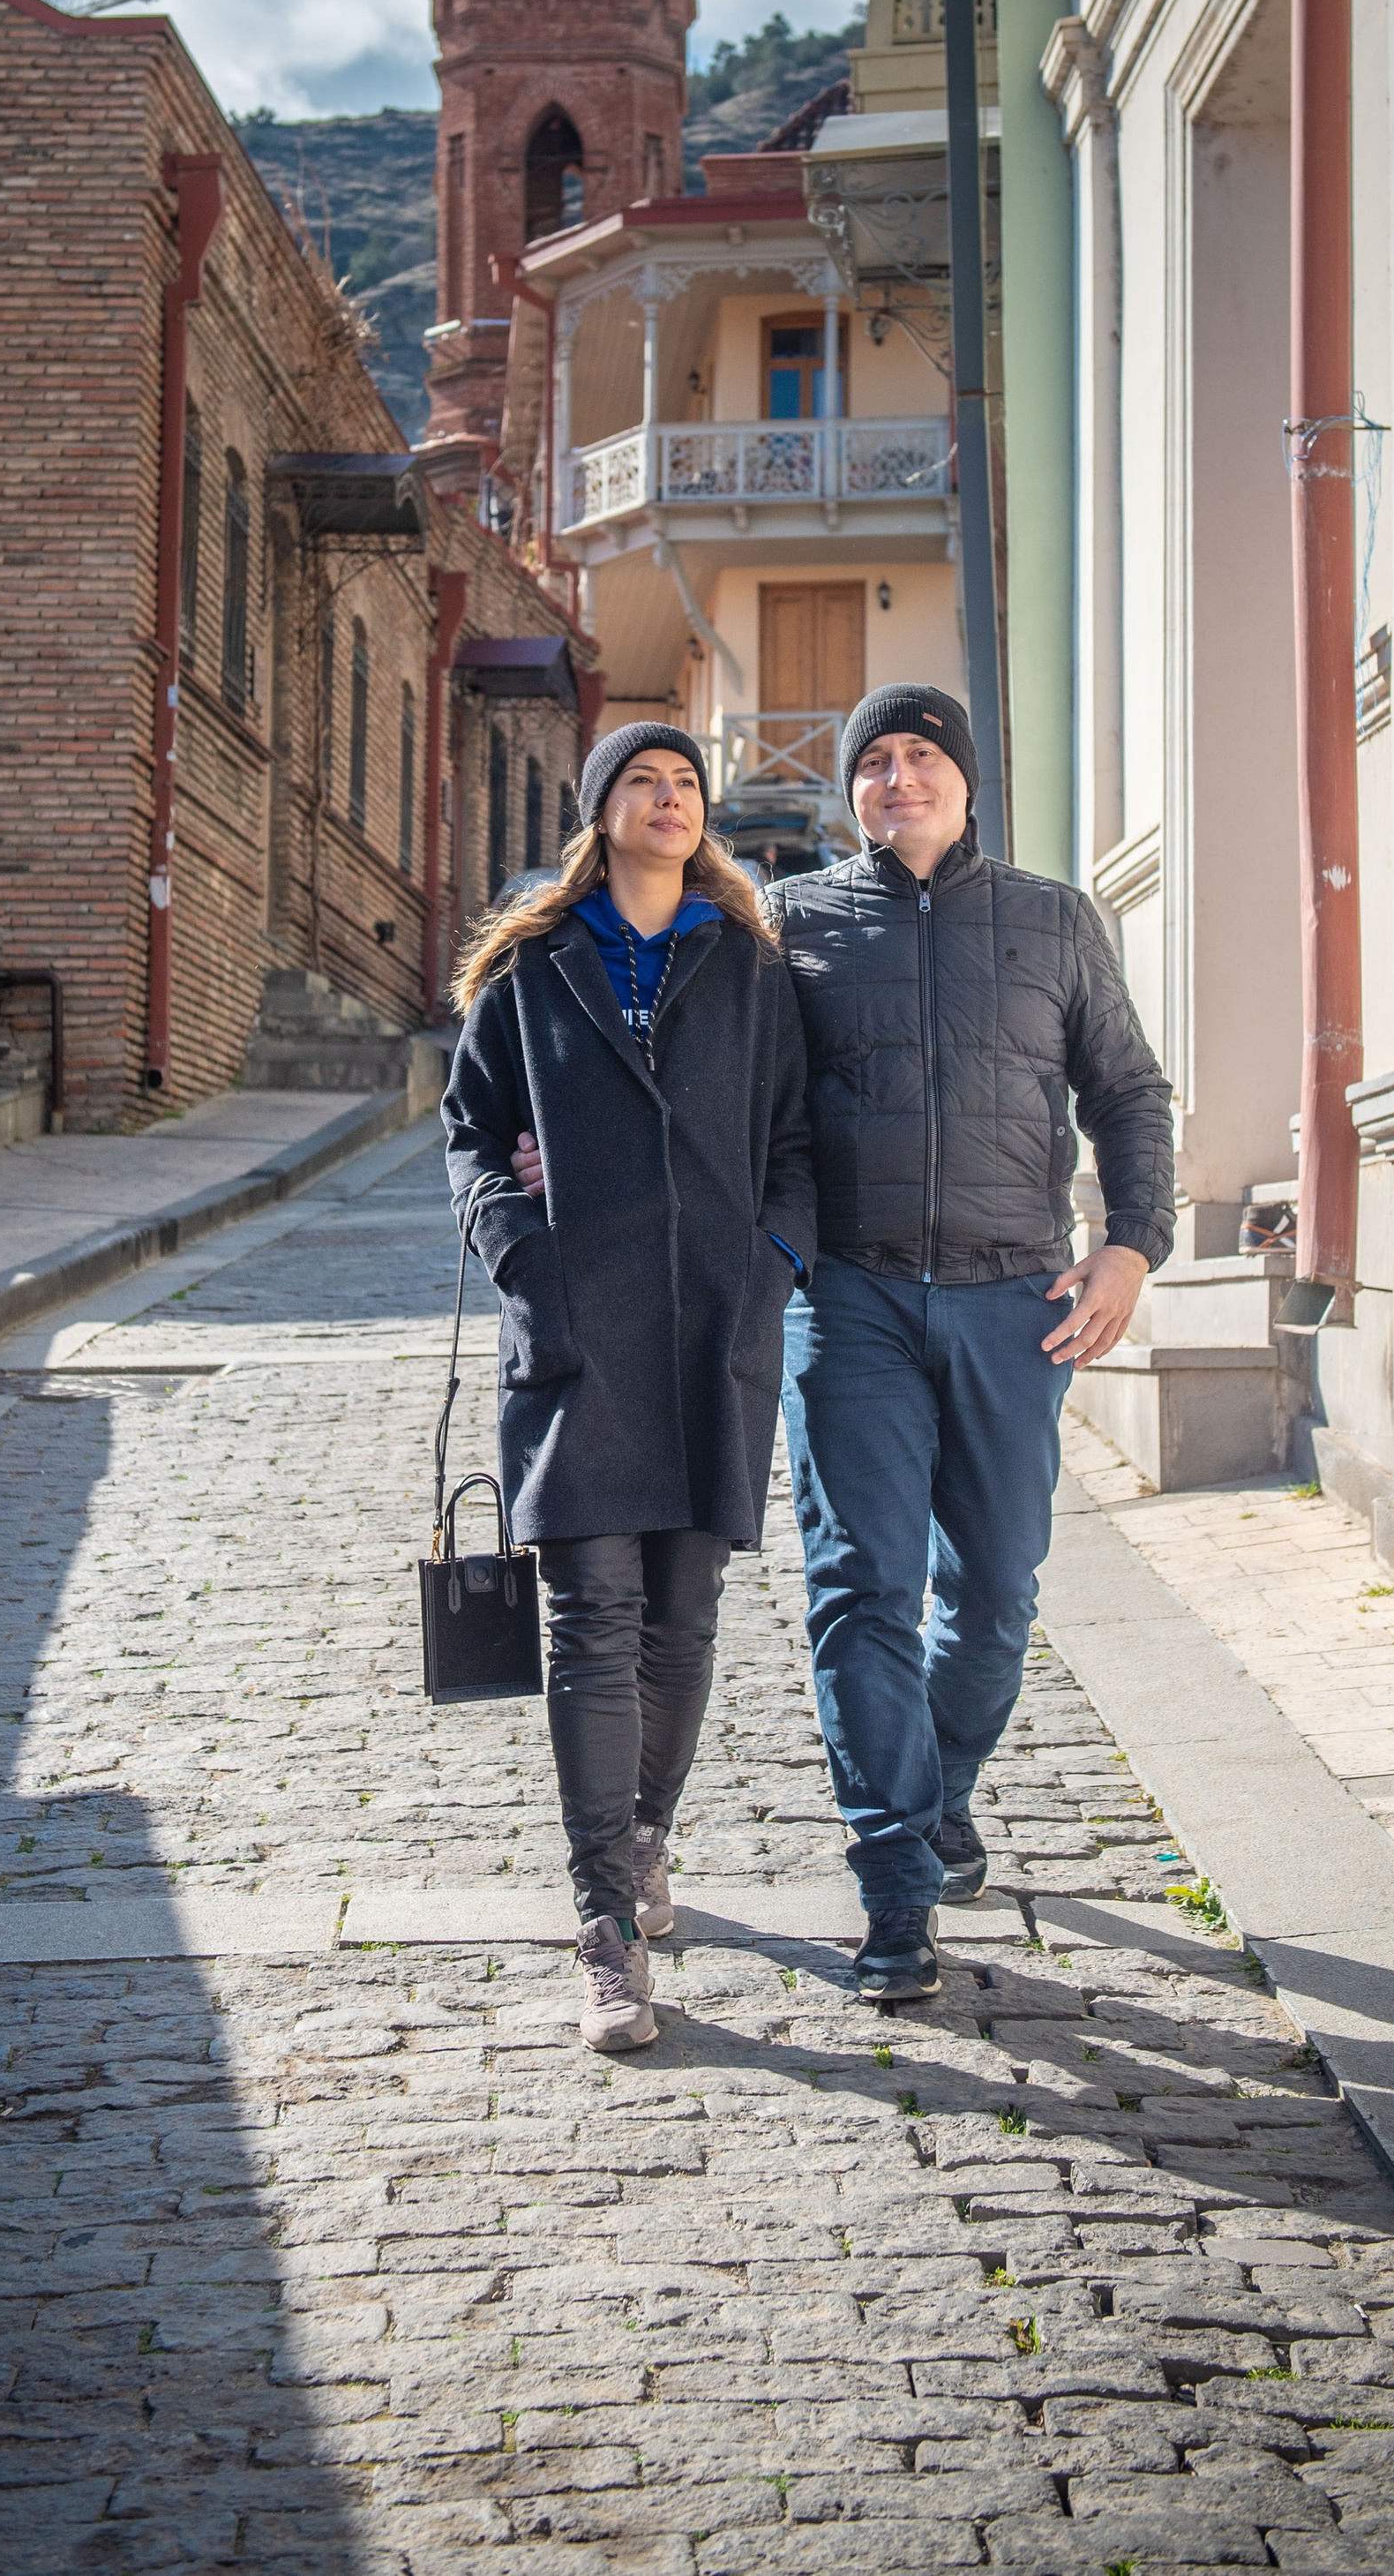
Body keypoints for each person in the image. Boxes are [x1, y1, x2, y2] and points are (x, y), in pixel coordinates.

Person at [770, 684, 1175, 2007]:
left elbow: (1126, 1090)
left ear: (966, 778)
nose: (898, 778)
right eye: (873, 761)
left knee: (995, 1593)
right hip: (851, 1301)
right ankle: (896, 1885)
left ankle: (936, 1790)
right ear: (852, 791)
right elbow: (720, 1094)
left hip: (1015, 1301)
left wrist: (1131, 1245)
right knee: (862, 1591)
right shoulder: (796, 925)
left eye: (922, 755)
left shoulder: (1053, 918)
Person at [442, 723, 814, 2052]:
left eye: (686, 785)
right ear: (600, 815)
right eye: (643, 784)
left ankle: (647, 1837)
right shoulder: (535, 970)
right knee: (590, 1618)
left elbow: (794, 1144)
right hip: (577, 1330)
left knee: (684, 1616)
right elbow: (471, 1134)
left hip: (715, 1328)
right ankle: (602, 1917)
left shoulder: (751, 966)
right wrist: (519, 1251)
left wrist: (771, 1263)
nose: (669, 801)